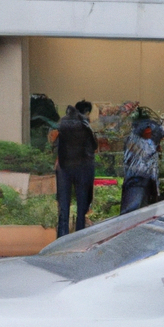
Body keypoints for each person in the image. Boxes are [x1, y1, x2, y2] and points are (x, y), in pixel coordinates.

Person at [55, 100, 97, 236]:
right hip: (82, 168)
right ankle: (79, 237)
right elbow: (94, 145)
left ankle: (62, 238)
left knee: (64, 207)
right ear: (87, 112)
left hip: (64, 168)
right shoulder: (84, 124)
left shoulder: (63, 122)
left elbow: (57, 144)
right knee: (81, 206)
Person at [120, 106, 164, 214]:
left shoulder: (132, 137)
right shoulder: (143, 136)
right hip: (142, 179)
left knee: (135, 211)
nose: (149, 131)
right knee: (138, 211)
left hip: (137, 178)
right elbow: (160, 133)